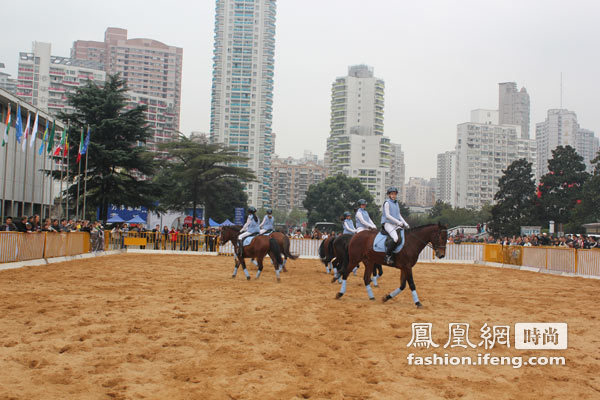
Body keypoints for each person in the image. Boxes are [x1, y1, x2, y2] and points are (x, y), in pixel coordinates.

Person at [381, 186, 409, 265]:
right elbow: (387, 215)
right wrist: (398, 222)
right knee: (396, 238)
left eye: (394, 194)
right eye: (392, 194)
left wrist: (406, 224)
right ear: (389, 195)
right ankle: (387, 256)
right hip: (387, 223)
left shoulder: (396, 203)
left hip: (395, 224)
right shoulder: (387, 203)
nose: (393, 195)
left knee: (403, 236)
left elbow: (399, 215)